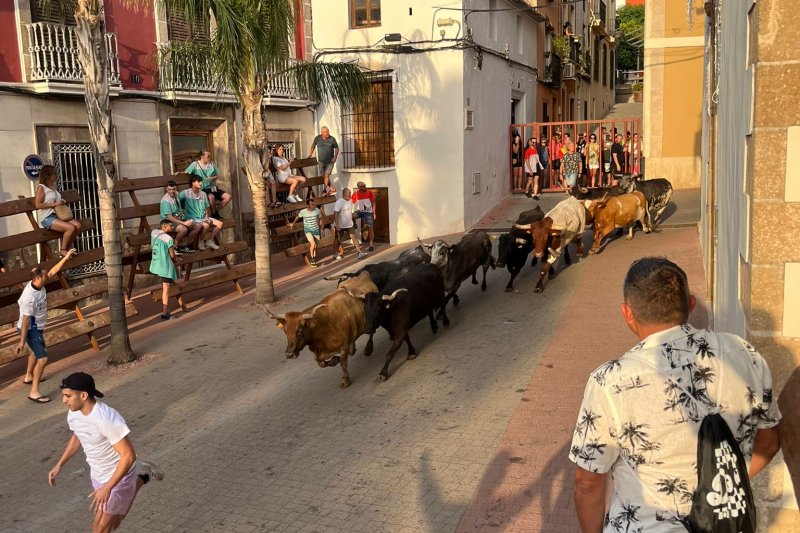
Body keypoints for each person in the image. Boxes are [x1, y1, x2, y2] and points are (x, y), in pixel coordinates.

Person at [570, 257, 781, 532]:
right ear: (690, 304)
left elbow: (588, 482)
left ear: (627, 313)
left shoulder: (611, 381)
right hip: (727, 523)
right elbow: (769, 441)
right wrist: (720, 488)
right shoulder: (742, 353)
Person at [49, 372, 164, 533]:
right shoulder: (74, 413)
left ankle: (140, 477)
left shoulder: (106, 419)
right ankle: (144, 476)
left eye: (68, 396)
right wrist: (59, 465)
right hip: (98, 475)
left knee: (100, 529)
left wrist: (108, 487)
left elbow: (128, 456)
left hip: (118, 478)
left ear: (83, 395)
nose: (64, 400)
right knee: (112, 524)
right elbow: (78, 435)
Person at [17, 248, 77, 403]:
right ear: (38, 278)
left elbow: (53, 271)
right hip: (31, 329)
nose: (47, 276)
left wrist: (67, 258)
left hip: (36, 327)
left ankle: (29, 376)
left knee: (34, 353)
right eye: (44, 276)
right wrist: (22, 341)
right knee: (42, 358)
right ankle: (34, 392)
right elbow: (25, 321)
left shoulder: (38, 283)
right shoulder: (29, 297)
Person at [34, 165, 82, 258]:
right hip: (47, 218)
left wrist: (61, 202)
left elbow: (56, 202)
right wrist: (55, 204)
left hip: (58, 216)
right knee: (70, 228)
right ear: (48, 175)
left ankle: (68, 246)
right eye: (54, 174)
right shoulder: (41, 188)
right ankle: (63, 250)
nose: (56, 175)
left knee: (78, 225)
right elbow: (38, 205)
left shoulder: (53, 188)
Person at [179, 175, 221, 251]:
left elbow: (207, 207)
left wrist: (206, 217)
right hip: (192, 218)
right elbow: (176, 200)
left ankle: (209, 241)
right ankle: (200, 241)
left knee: (220, 224)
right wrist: (181, 211)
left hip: (202, 218)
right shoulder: (185, 193)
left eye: (201, 181)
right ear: (192, 183)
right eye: (199, 181)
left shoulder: (203, 194)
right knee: (206, 225)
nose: (201, 183)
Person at [185, 150, 231, 218]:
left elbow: (217, 176)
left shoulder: (212, 164)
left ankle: (216, 212)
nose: (210, 158)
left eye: (210, 156)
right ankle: (214, 214)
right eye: (208, 156)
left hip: (213, 187)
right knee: (211, 197)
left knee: (228, 197)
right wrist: (179, 173)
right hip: (203, 188)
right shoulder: (196, 164)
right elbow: (186, 172)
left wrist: (212, 178)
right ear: (202, 157)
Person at [150, 219, 179, 320]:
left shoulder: (153, 233)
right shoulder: (168, 238)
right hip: (165, 266)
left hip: (155, 263)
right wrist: (176, 260)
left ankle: (165, 311)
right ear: (164, 227)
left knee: (165, 286)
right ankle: (165, 313)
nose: (173, 227)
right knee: (166, 289)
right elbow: (172, 255)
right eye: (171, 226)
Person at [159, 180, 199, 254]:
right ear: (166, 189)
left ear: (176, 188)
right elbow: (169, 217)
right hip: (167, 222)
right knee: (183, 229)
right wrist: (184, 223)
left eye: (173, 189)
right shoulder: (166, 201)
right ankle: (175, 247)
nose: (171, 191)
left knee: (198, 226)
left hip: (178, 218)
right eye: (169, 189)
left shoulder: (177, 194)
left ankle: (184, 244)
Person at [333, 188, 368, 260]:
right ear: (344, 194)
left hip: (349, 224)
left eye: (350, 193)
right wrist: (337, 224)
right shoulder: (339, 202)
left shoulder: (350, 200)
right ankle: (336, 254)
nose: (349, 195)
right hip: (340, 225)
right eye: (348, 194)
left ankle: (359, 253)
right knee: (338, 240)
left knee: (354, 237)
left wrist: (354, 222)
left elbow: (350, 212)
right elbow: (335, 213)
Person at [289, 198, 323, 268]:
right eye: (312, 204)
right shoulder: (303, 211)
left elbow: (320, 218)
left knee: (315, 246)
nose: (314, 205)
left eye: (314, 204)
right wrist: (293, 223)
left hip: (316, 230)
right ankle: (312, 259)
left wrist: (321, 225)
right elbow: (297, 217)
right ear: (308, 205)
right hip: (308, 230)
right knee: (312, 243)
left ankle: (312, 258)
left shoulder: (317, 210)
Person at [308, 126, 339, 196]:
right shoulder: (317, 138)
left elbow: (337, 148)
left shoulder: (332, 139)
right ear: (322, 133)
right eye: (326, 132)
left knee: (327, 175)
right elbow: (313, 146)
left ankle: (324, 190)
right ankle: (332, 188)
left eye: (328, 132)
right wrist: (310, 154)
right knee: (323, 176)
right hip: (321, 161)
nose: (328, 133)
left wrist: (335, 157)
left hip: (330, 162)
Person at [352, 181, 376, 251]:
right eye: (362, 186)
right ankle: (355, 224)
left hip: (368, 212)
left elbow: (374, 202)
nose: (364, 187)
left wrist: (374, 213)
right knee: (351, 216)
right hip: (360, 211)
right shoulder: (356, 194)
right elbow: (350, 202)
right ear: (359, 187)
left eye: (364, 185)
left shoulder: (369, 192)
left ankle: (371, 245)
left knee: (370, 228)